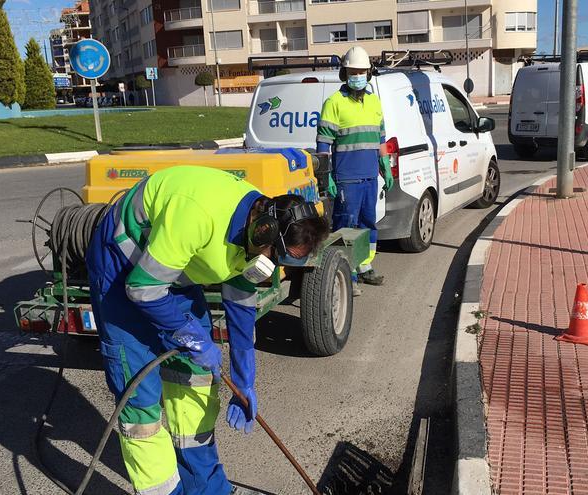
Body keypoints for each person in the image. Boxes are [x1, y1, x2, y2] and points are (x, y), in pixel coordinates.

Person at [85, 166, 329, 495]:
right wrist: (190, 335)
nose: (272, 265)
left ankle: (207, 489)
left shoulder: (256, 238)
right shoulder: (197, 215)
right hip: (123, 266)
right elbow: (142, 289)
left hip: (176, 269)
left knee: (195, 385)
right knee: (141, 404)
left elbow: (241, 308)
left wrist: (244, 381)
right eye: (277, 255)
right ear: (264, 230)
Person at [316, 45, 394, 290]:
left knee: (368, 223)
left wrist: (385, 164)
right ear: (344, 73)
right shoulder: (334, 103)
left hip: (370, 176)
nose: (357, 76)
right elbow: (323, 143)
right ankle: (345, 274)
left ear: (368, 74)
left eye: (361, 71)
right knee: (345, 227)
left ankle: (365, 267)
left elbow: (380, 137)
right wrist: (325, 174)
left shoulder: (374, 102)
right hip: (346, 178)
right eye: (352, 71)